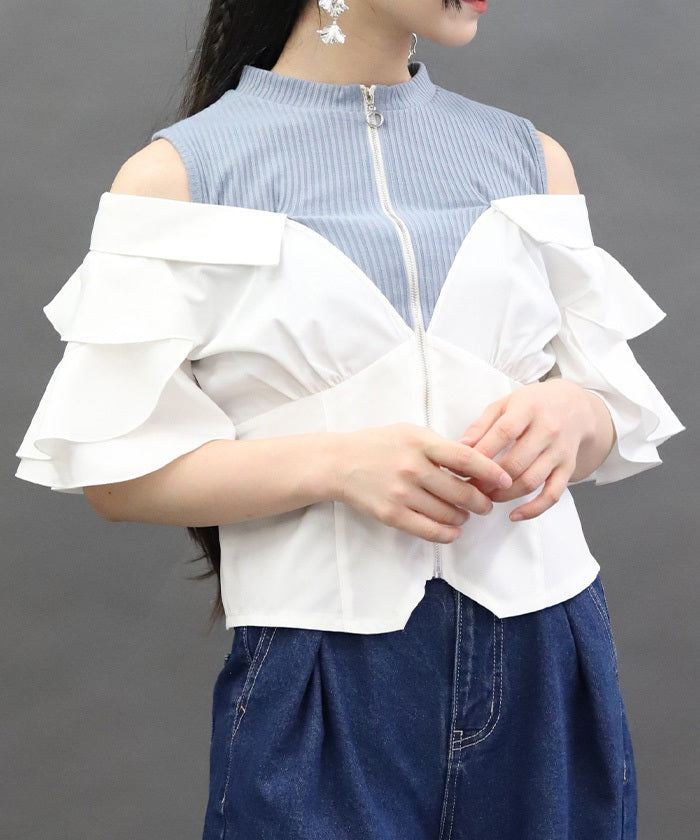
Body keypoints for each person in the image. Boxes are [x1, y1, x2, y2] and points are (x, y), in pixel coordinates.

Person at [15, 1, 686, 838]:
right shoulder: (180, 177)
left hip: (549, 654)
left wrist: (574, 412)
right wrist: (338, 465)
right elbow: (116, 474)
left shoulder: (529, 158)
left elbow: (610, 412)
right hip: (324, 669)